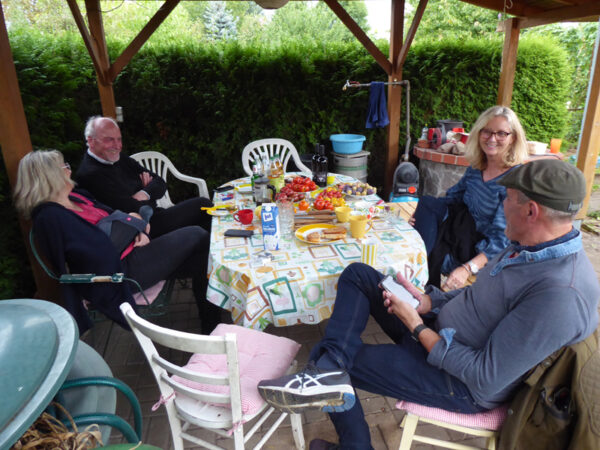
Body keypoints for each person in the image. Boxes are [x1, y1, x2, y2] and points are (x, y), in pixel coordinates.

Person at [258, 159, 599, 450]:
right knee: (359, 275)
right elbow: (477, 296)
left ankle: (345, 417)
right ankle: (330, 373)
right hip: (439, 330)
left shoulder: (559, 294)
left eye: (505, 197)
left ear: (531, 210)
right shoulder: (526, 246)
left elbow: (485, 378)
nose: (501, 205)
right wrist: (426, 301)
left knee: (326, 357)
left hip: (457, 381)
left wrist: (418, 327)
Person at [13, 150, 221, 335]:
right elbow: (96, 251)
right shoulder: (50, 217)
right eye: (64, 166)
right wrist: (133, 227)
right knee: (196, 234)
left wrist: (136, 227)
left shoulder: (77, 197)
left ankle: (211, 328)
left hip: (134, 249)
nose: (69, 170)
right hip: (119, 271)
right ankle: (213, 324)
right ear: (49, 177)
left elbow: (121, 214)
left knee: (202, 259)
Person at [411, 105, 529, 290]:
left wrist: (467, 268)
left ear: (513, 138)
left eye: (501, 134)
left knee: (427, 250)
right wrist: (423, 215)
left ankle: (418, 278)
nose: (492, 138)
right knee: (426, 203)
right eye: (487, 131)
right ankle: (417, 273)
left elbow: (501, 241)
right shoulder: (477, 168)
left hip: (477, 250)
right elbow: (452, 197)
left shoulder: (513, 181)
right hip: (461, 230)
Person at [75, 116, 213, 238]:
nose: (117, 146)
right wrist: (149, 194)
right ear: (91, 141)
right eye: (109, 140)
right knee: (203, 208)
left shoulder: (118, 158)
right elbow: (132, 208)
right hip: (141, 229)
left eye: (119, 139)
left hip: (154, 215)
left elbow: (160, 182)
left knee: (203, 210)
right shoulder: (89, 174)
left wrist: (144, 192)